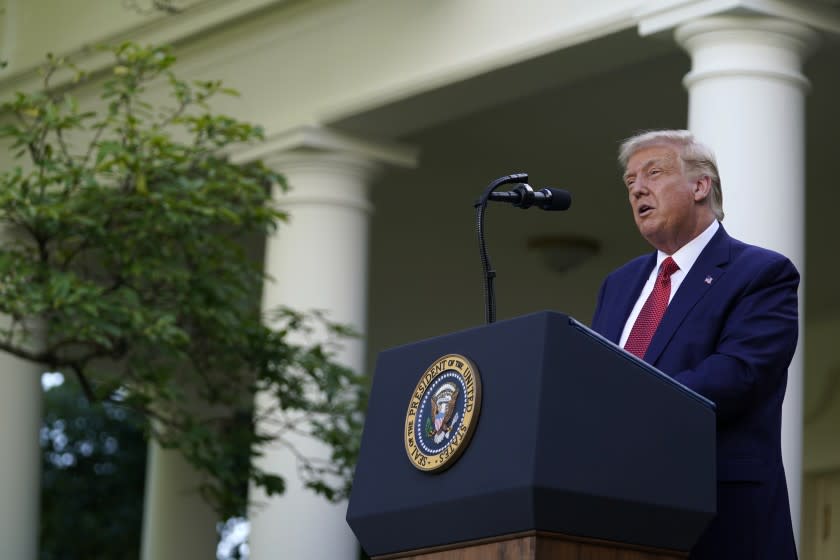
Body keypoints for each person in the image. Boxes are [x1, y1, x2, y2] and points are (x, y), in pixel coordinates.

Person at [591, 130, 799, 559]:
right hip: (618, 514)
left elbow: (737, 374)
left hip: (720, 515)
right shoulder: (619, 284)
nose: (638, 190)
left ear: (701, 186)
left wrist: (626, 406)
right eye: (630, 184)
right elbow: (595, 376)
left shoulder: (761, 274)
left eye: (654, 173)